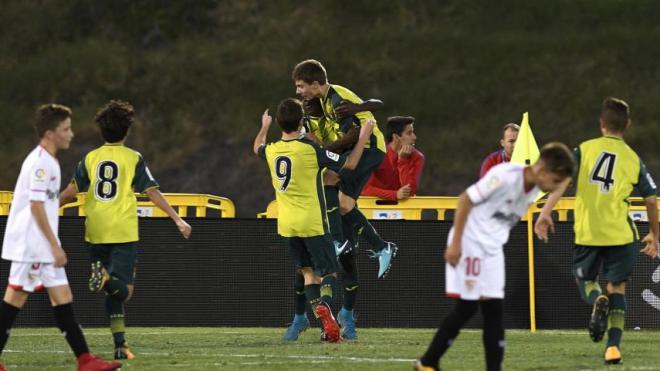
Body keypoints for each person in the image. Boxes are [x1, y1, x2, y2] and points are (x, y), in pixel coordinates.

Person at [415, 143, 575, 371]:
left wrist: (545, 213)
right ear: (544, 171)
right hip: (470, 242)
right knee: (467, 308)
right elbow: (465, 200)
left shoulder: (540, 181)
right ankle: (428, 363)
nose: (558, 187)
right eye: (556, 181)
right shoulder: (505, 176)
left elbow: (563, 181)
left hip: (492, 249)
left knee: (494, 311)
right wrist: (456, 243)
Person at [60, 100, 192, 360]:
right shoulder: (133, 158)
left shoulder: (90, 158)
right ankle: (106, 281)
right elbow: (152, 192)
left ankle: (121, 345)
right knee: (124, 291)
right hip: (122, 230)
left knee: (112, 291)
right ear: (127, 130)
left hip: (95, 229)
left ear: (102, 131)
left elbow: (70, 192)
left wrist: (45, 208)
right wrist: (177, 218)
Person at [534, 97, 658, 365]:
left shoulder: (584, 150)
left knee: (586, 280)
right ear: (628, 125)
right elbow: (650, 198)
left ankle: (596, 298)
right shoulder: (633, 158)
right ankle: (613, 348)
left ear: (601, 124)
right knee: (618, 289)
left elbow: (562, 181)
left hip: (589, 230)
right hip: (622, 234)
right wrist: (654, 234)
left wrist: (545, 213)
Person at [0, 104, 121, 371]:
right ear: (50, 133)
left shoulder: (48, 160)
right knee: (15, 299)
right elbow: (36, 206)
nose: (71, 134)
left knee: (59, 296)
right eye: (66, 129)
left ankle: (85, 360)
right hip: (33, 246)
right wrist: (54, 246)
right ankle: (85, 360)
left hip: (39, 246)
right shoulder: (41, 164)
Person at [253, 98, 373, 343]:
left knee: (307, 272)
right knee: (330, 271)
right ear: (302, 122)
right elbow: (349, 164)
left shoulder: (273, 150)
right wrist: (363, 137)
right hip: (312, 222)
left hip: (286, 224)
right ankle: (325, 308)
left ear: (278, 122)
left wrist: (263, 127)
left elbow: (257, 147)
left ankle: (319, 314)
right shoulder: (310, 150)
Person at [284, 98, 383, 341]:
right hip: (317, 211)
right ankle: (303, 318)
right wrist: (350, 140)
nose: (306, 102)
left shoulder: (334, 117)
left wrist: (346, 140)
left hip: (334, 204)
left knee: (346, 262)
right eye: (302, 101)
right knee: (310, 269)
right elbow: (341, 160)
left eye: (309, 99)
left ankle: (346, 317)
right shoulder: (306, 135)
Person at [292, 59, 397, 280]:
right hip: (367, 149)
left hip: (368, 148)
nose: (298, 91)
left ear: (314, 83)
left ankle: (339, 241)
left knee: (329, 179)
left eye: (301, 86)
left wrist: (326, 151)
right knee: (344, 204)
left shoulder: (335, 99)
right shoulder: (326, 100)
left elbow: (353, 136)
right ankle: (381, 246)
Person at [362, 116, 425, 200]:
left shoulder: (417, 157)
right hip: (376, 207)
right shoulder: (376, 155)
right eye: (409, 133)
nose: (414, 137)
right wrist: (395, 194)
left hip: (404, 208)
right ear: (396, 137)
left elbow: (410, 191)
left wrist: (403, 160)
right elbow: (365, 189)